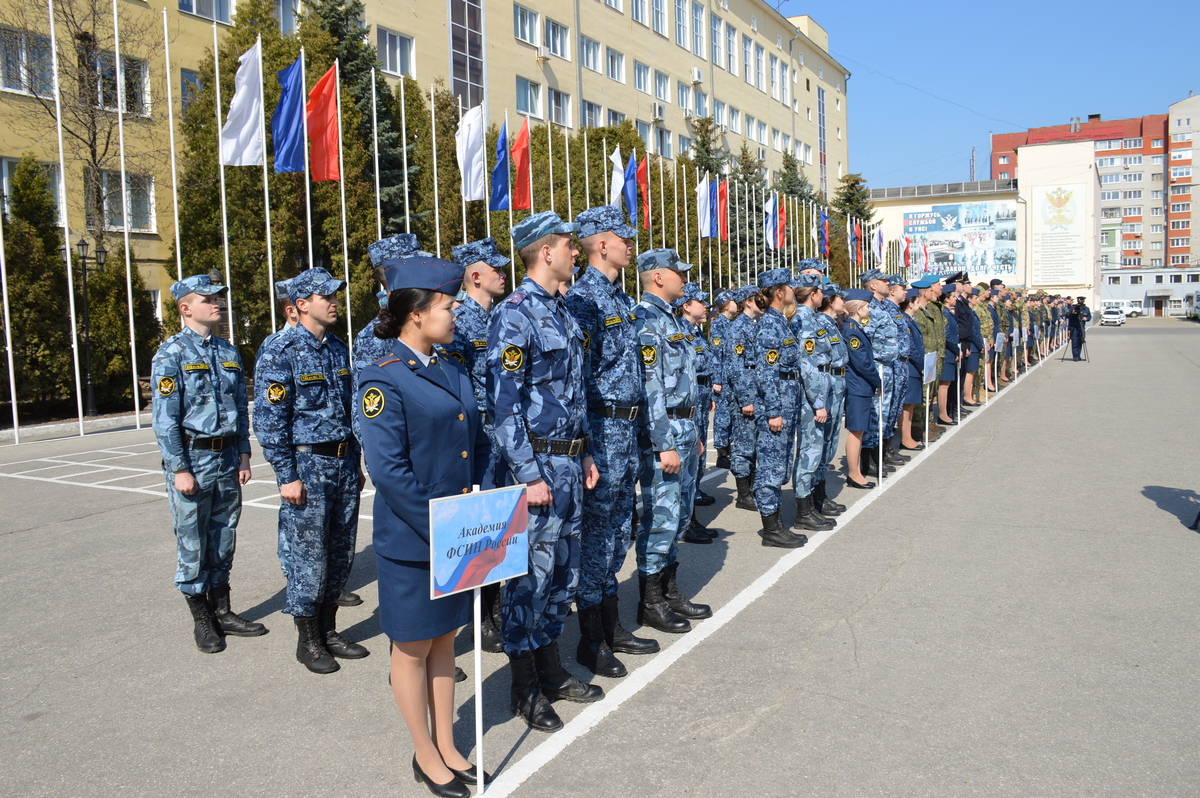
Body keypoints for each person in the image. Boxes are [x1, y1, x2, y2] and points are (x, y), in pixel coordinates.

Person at [356, 257, 489, 798]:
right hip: (416, 538)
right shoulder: (382, 377)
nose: (455, 313)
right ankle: (423, 751)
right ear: (414, 313)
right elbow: (387, 471)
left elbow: (474, 438)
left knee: (444, 642)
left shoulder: (452, 366)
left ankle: (448, 744)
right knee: (412, 647)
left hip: (458, 529)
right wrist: (441, 525)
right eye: (447, 306)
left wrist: (481, 496)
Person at [487, 211, 603, 733]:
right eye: (569, 245)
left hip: (568, 463)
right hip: (536, 471)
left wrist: (584, 452)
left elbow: (573, 396)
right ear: (545, 252)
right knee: (527, 581)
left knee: (562, 574)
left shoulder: (562, 312)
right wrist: (529, 474)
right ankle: (525, 687)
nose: (577, 252)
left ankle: (552, 670)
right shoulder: (515, 315)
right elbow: (504, 406)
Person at [254, 267, 369, 674]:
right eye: (326, 296)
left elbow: (350, 411)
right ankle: (308, 641)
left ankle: (329, 630)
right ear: (301, 304)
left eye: (335, 295)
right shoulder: (279, 350)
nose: (334, 301)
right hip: (307, 465)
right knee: (309, 557)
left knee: (340, 552)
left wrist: (355, 461)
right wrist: (286, 475)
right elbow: (270, 421)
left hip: (340, 463)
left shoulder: (338, 349)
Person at [561, 207, 658, 679]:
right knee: (597, 537)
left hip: (626, 430)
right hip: (601, 432)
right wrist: (586, 448)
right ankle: (590, 641)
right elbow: (576, 381)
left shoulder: (617, 298)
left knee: (619, 531)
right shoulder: (584, 300)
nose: (629, 245)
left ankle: (612, 626)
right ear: (602, 244)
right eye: (623, 238)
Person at [152, 274, 263, 654]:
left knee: (223, 537)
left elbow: (240, 410)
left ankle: (224, 610)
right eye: (208, 298)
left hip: (228, 456)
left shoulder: (228, 352)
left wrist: (244, 453)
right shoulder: (171, 355)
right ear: (186, 308)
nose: (217, 302)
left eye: (218, 297)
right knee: (192, 542)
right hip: (193, 461)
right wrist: (179, 468)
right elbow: (166, 419)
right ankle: (202, 619)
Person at [632, 249, 712, 629]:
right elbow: (651, 391)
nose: (684, 278)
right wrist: (663, 442)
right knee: (660, 517)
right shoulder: (645, 321)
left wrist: (693, 432)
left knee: (678, 514)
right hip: (666, 433)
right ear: (658, 277)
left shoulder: (670, 320)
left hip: (685, 427)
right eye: (678, 272)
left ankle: (669, 590)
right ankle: (649, 602)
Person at [445, 236, 511, 654]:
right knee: (476, 531)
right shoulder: (459, 321)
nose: (503, 274)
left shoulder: (502, 316)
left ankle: (495, 607)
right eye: (496, 269)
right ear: (474, 276)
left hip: (504, 436)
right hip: (477, 441)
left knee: (501, 526)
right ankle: (476, 618)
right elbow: (455, 389)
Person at [747, 269, 809, 549]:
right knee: (770, 466)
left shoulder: (780, 322)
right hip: (777, 404)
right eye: (788, 286)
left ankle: (777, 522)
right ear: (778, 292)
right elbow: (765, 372)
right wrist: (773, 410)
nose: (793, 290)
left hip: (787, 399)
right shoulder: (770, 325)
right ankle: (771, 528)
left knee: (779, 464)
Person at [790, 272, 837, 534]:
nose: (824, 295)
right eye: (821, 291)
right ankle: (803, 512)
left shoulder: (808, 318)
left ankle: (808, 507)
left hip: (815, 393)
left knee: (813, 451)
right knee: (809, 452)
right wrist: (818, 402)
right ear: (813, 294)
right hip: (810, 398)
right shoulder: (804, 320)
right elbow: (808, 365)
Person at [675, 283, 720, 533]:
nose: (705, 307)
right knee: (690, 456)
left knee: (698, 453)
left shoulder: (697, 332)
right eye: (700, 302)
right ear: (686, 305)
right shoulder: (681, 331)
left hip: (701, 395)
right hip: (689, 400)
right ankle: (686, 520)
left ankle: (690, 512)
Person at [857, 269, 900, 479]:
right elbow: (865, 342)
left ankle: (877, 456)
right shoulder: (869, 309)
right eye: (883, 280)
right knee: (874, 415)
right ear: (872, 285)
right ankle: (868, 461)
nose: (888, 283)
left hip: (888, 367)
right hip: (877, 367)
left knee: (882, 415)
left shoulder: (882, 307)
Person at [725, 285, 763, 511]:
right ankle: (743, 493)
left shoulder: (754, 325)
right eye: (757, 298)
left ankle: (751, 487)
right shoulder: (738, 327)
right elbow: (735, 366)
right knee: (744, 444)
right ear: (748, 301)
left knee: (754, 443)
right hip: (746, 393)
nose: (762, 301)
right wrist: (745, 399)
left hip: (755, 391)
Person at [812, 281, 848, 518]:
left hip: (837, 383)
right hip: (828, 385)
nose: (843, 302)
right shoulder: (820, 325)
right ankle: (816, 498)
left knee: (831, 441)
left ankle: (820, 494)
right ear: (830, 301)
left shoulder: (832, 324)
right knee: (822, 443)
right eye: (839, 297)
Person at [841, 291, 881, 489]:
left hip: (861, 385)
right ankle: (854, 474)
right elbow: (862, 363)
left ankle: (855, 471)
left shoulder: (855, 327)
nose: (869, 309)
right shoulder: (852, 330)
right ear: (858, 309)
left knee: (860, 430)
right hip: (858, 385)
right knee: (856, 431)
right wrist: (877, 381)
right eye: (867, 306)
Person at [709, 290, 740, 470]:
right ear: (726, 304)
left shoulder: (730, 323)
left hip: (731, 377)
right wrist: (717, 379)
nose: (737, 304)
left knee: (729, 414)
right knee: (722, 416)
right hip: (723, 378)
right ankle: (722, 452)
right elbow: (716, 354)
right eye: (733, 301)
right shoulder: (719, 324)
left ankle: (727, 448)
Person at [898, 287, 927, 450]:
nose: (919, 304)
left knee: (911, 405)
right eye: (917, 302)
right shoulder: (905, 321)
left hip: (915, 368)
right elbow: (911, 348)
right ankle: (905, 438)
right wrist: (922, 365)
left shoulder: (911, 320)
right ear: (910, 304)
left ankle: (907, 437)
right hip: (911, 367)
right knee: (907, 405)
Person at [1068, 296, 1091, 361]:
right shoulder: (1073, 307)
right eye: (1079, 300)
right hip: (1074, 326)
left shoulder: (1086, 309)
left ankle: (1078, 355)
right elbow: (1067, 315)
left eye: (1082, 300)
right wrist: (1072, 312)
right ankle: (1075, 356)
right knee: (1075, 341)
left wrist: (1086, 318)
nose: (1080, 302)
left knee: (1080, 341)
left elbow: (1089, 317)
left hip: (1081, 326)